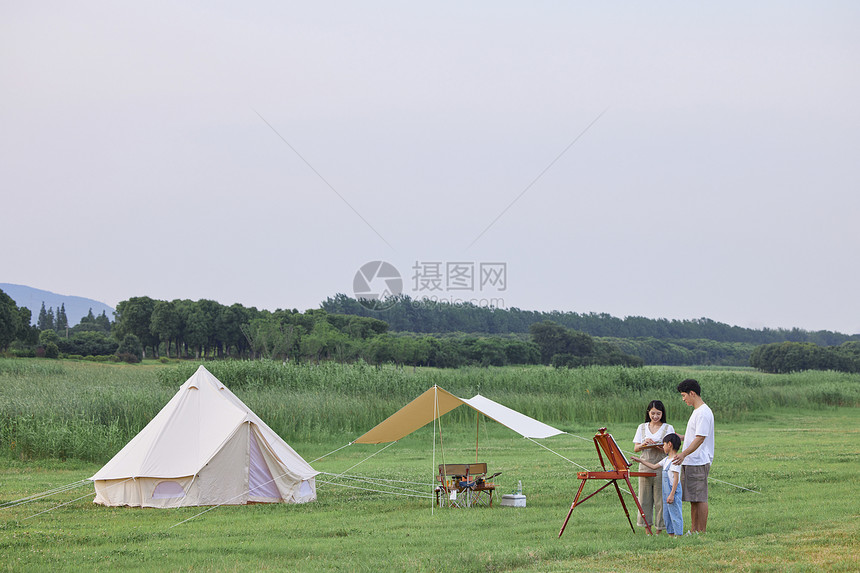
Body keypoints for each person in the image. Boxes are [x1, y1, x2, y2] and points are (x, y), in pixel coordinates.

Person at [673, 378, 715, 534]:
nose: (683, 399)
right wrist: (682, 437)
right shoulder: (697, 412)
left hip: (698, 461)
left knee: (700, 498)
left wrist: (683, 454)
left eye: (684, 395)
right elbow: (695, 435)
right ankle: (693, 530)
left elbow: (700, 438)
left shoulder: (703, 412)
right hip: (692, 461)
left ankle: (701, 531)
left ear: (692, 393)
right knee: (693, 498)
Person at [632, 400, 674, 533]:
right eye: (653, 413)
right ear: (648, 413)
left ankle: (659, 529)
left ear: (663, 414)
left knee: (660, 499)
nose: (655, 416)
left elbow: (671, 450)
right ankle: (647, 528)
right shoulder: (641, 427)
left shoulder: (668, 428)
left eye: (658, 414)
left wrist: (659, 447)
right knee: (644, 498)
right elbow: (636, 448)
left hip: (661, 466)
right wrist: (644, 444)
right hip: (644, 466)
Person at [632, 433, 683, 537]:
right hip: (666, 492)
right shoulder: (666, 460)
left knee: (675, 513)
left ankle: (679, 534)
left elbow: (676, 479)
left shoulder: (675, 461)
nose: (662, 447)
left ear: (669, 444)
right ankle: (671, 534)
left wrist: (672, 494)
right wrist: (640, 460)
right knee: (667, 513)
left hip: (673, 491)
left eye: (663, 445)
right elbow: (654, 466)